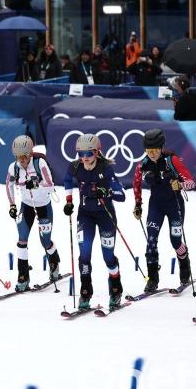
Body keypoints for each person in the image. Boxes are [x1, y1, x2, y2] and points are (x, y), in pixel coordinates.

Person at [63, 133, 126, 310]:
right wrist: (69, 201)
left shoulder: (106, 168)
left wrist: (106, 192)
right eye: (80, 154)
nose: (84, 158)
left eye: (88, 154)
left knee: (108, 257)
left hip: (105, 215)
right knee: (84, 254)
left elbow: (121, 196)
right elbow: (67, 180)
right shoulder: (75, 167)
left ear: (97, 153)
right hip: (85, 215)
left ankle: (115, 289)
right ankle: (85, 292)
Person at [132, 129, 196, 292]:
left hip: (174, 204)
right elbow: (136, 184)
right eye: (147, 149)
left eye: (154, 149)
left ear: (161, 147)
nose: (151, 153)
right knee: (151, 240)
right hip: (156, 205)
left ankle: (184, 266)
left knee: (175, 240)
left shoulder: (172, 160)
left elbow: (191, 182)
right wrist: (138, 204)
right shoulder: (143, 164)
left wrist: (180, 184)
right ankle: (152, 278)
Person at [5, 135, 61, 291]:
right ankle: (23, 276)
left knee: (45, 241)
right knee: (22, 240)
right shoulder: (13, 167)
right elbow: (8, 185)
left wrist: (35, 184)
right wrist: (12, 205)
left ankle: (54, 262)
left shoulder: (39, 163)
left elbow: (50, 185)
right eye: (18, 157)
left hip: (43, 206)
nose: (22, 160)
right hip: (27, 206)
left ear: (30, 153)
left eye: (24, 156)